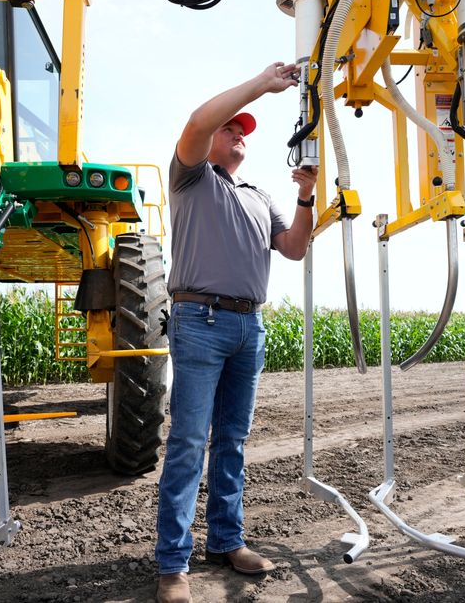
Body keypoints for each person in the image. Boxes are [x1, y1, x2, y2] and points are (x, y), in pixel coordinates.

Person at [154, 62, 317, 603]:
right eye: (233, 128)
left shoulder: (258, 195)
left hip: (249, 325)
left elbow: (293, 247)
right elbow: (198, 122)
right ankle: (172, 565)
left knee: (233, 442)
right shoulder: (191, 177)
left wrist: (306, 197)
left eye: (244, 131)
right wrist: (261, 86)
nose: (238, 134)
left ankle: (226, 541)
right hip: (199, 322)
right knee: (188, 443)